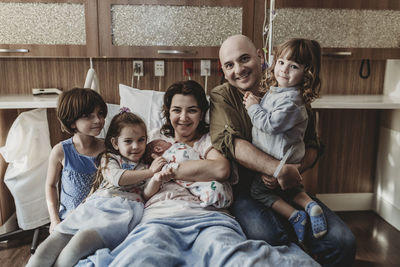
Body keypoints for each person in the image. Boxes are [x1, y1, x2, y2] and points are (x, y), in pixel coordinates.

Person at [76, 80, 319, 267]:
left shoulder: (208, 142)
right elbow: (118, 162)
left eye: (191, 110)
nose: (183, 118)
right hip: (161, 217)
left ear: (202, 113)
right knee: (140, 258)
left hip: (209, 217)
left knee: (233, 258)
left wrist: (169, 170)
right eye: (176, 110)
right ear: (168, 112)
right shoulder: (149, 140)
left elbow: (220, 169)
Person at [210, 34, 356, 266]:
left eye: (244, 59)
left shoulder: (293, 90)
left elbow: (313, 145)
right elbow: (230, 143)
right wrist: (277, 169)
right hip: (247, 191)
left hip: (289, 187)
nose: (238, 70)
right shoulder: (223, 96)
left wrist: (293, 170)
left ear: (261, 56)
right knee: (269, 237)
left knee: (343, 242)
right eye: (229, 65)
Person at [27, 110, 171, 267]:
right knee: (47, 247)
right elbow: (117, 178)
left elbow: (146, 194)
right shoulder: (109, 159)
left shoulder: (147, 165)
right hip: (94, 206)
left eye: (141, 140)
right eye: (128, 141)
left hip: (121, 213)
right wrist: (149, 172)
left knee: (79, 243)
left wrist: (156, 177)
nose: (136, 146)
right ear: (115, 143)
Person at [243, 38, 327, 244]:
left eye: (294, 66)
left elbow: (270, 124)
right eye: (281, 62)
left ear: (307, 73)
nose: (284, 70)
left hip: (279, 159)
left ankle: (294, 216)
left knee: (259, 191)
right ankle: (310, 206)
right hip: (281, 157)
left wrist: (253, 106)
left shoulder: (292, 101)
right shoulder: (280, 91)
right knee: (292, 190)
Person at [46, 88, 107, 233]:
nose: (98, 120)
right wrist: (55, 220)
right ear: (72, 122)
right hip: (70, 220)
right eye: (88, 116)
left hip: (100, 218)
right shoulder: (61, 152)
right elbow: (50, 186)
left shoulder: (108, 148)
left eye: (100, 113)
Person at [144, 138, 234, 208]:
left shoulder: (203, 142)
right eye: (165, 141)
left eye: (192, 112)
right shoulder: (160, 165)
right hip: (165, 208)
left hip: (201, 210)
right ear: (158, 149)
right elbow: (147, 193)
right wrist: (158, 171)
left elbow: (221, 169)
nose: (170, 143)